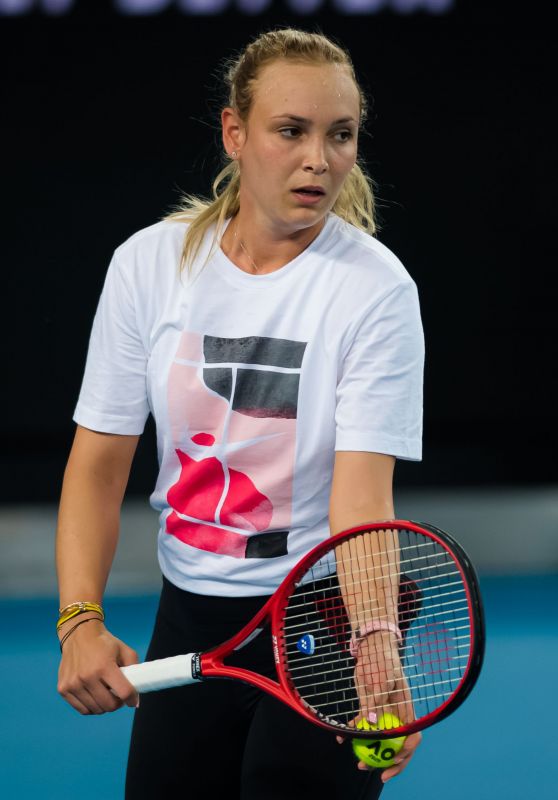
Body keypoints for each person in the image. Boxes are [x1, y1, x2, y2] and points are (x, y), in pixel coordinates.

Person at [56, 27, 425, 800]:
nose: (317, 159)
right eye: (291, 131)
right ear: (235, 133)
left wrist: (376, 645)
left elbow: (361, 497)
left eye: (340, 135)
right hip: (190, 614)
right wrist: (79, 621)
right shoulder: (147, 266)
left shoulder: (377, 290)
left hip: (321, 618)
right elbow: (98, 463)